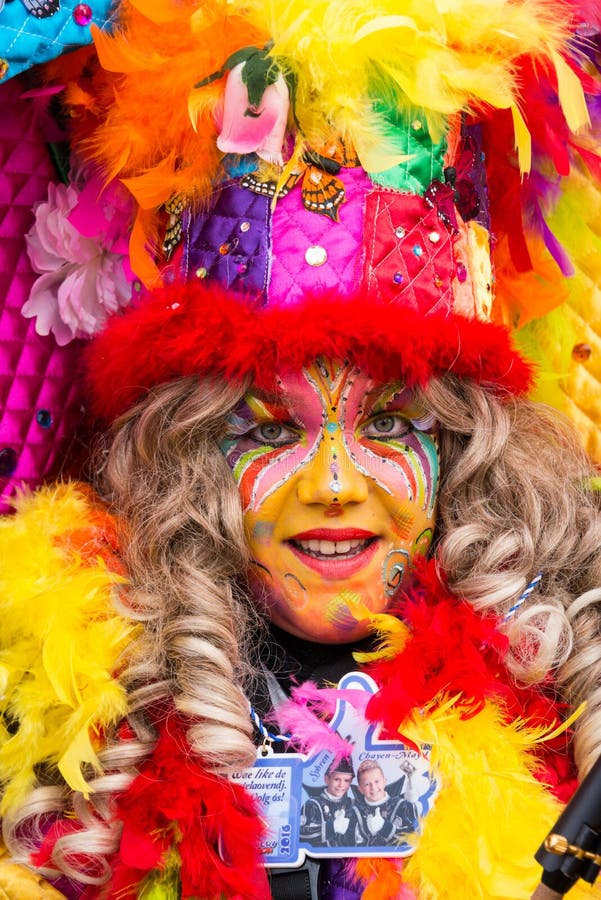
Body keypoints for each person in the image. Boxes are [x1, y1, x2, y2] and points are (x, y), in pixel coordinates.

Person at [0, 1, 600, 899]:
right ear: (187, 459)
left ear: (470, 447)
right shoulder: (77, 674)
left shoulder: (565, 671)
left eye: (391, 426)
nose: (333, 485)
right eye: (270, 430)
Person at [300, 758, 364, 848]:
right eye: (337, 779)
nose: (341, 785)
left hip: (350, 858)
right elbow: (300, 833)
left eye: (346, 780)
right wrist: (332, 827)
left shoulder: (353, 804)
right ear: (327, 779)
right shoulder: (313, 804)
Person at [354, 761, 418, 847]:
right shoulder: (356, 813)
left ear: (384, 781)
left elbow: (413, 838)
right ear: (360, 789)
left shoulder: (402, 806)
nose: (373, 787)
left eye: (377, 781)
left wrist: (385, 827)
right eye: (367, 784)